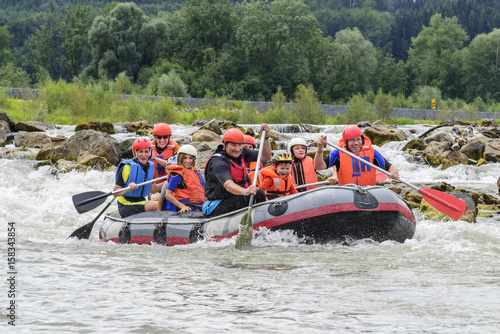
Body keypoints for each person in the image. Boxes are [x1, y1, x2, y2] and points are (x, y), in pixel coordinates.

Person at [203, 125, 272, 217]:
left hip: (235, 198)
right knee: (256, 194)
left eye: (240, 145)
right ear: (224, 144)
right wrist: (245, 191)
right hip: (217, 205)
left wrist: (266, 137)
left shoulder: (242, 152)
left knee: (259, 194)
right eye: (233, 145)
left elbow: (266, 156)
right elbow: (228, 184)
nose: (237, 148)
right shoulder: (218, 162)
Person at [315, 125, 399, 186]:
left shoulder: (372, 152)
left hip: (368, 192)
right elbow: (319, 166)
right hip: (347, 193)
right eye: (352, 140)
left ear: (362, 140)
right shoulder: (338, 153)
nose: (356, 143)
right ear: (346, 142)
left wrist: (393, 173)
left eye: (358, 139)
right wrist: (320, 149)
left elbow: (390, 167)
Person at [114, 138, 159, 217]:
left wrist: (168, 181)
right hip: (126, 204)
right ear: (135, 153)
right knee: (158, 205)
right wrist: (128, 188)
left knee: (163, 200)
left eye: (146, 151)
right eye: (140, 151)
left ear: (150, 153)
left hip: (141, 201)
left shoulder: (149, 166)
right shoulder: (127, 167)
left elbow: (153, 189)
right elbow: (116, 192)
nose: (144, 155)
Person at [158, 145, 207, 213]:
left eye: (190, 158)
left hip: (198, 205)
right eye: (185, 158)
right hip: (184, 206)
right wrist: (182, 207)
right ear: (180, 158)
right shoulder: (177, 174)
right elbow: (168, 194)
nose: (188, 161)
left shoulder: (195, 171)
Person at [150, 123, 180, 194]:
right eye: (159, 137)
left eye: (165, 137)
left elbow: (173, 166)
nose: (162, 140)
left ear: (169, 137)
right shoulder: (148, 148)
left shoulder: (176, 148)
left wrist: (156, 159)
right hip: (154, 187)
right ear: (155, 138)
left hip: (171, 186)